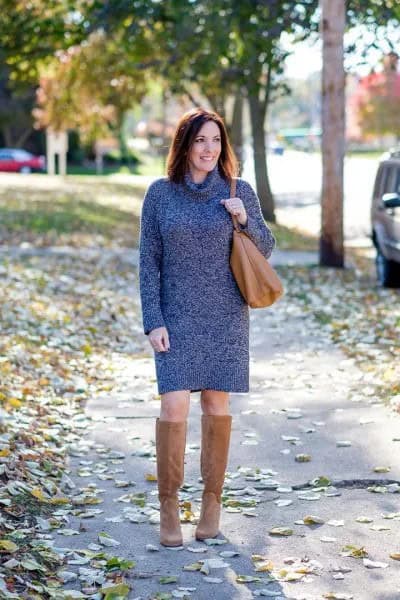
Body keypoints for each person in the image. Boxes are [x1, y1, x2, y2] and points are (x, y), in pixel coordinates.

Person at [139, 107, 275, 547]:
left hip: (225, 317)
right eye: (200, 140)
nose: (209, 149)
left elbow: (267, 248)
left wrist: (244, 219)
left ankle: (212, 502)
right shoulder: (160, 195)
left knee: (217, 407)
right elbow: (148, 263)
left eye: (216, 141)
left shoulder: (239, 191)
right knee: (173, 407)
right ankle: (168, 507)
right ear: (185, 145)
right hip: (176, 317)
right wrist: (152, 320)